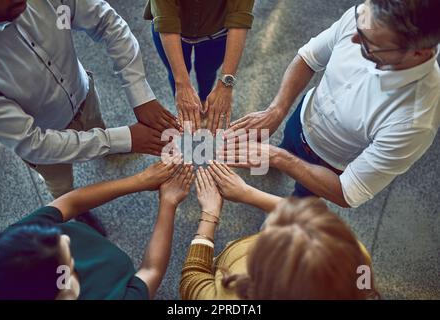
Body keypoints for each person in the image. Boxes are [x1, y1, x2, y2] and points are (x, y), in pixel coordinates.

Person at [221, 0, 440, 208]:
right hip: (302, 117)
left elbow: (347, 192)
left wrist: (278, 158)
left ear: (419, 52)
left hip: (328, 163)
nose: (354, 39)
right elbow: (308, 58)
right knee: (285, 146)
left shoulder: (416, 121)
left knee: (304, 195)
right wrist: (277, 110)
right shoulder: (366, 20)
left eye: (370, 45)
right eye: (360, 20)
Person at [0, 0, 181, 233]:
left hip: (85, 95)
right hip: (47, 140)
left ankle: (107, 152)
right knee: (61, 187)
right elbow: (32, 143)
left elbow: (106, 21)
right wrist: (124, 138)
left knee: (98, 126)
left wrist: (141, 94)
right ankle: (79, 210)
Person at [0, 155, 195, 300]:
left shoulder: (16, 249)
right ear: (66, 290)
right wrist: (168, 202)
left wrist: (140, 180)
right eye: (65, 262)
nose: (65, 238)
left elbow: (69, 203)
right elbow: (151, 271)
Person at [180, 161, 378, 300]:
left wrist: (210, 214)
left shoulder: (232, 296)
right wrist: (248, 194)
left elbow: (193, 280)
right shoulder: (353, 257)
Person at [144, 0, 255, 133]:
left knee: (207, 72)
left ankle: (203, 101)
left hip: (217, 32)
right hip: (170, 29)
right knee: (176, 76)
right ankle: (187, 108)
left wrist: (225, 85)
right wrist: (183, 86)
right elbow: (166, 20)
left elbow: (240, 15)